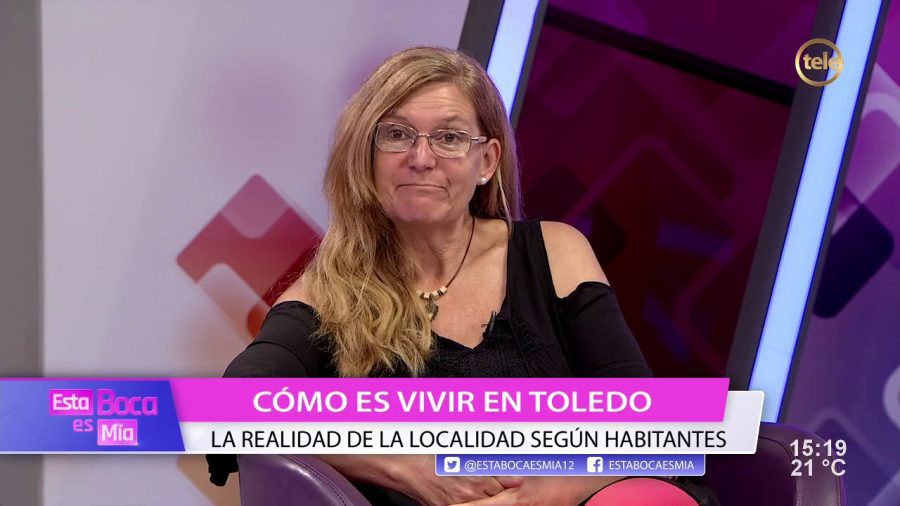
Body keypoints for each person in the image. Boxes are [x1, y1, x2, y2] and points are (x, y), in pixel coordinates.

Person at [208, 46, 713, 505]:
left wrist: (534, 497)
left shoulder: (555, 253)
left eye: (449, 137)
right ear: (368, 155)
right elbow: (234, 408)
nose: (421, 158)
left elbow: (649, 433)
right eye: (397, 134)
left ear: (486, 161)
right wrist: (404, 465)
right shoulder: (329, 291)